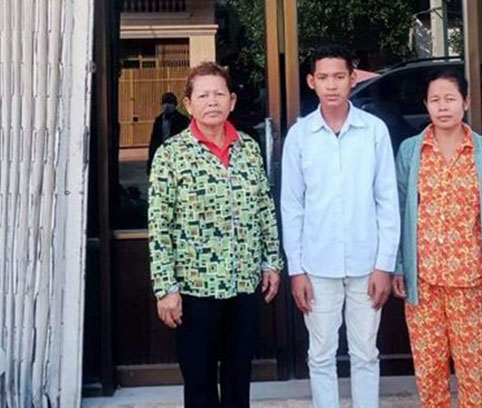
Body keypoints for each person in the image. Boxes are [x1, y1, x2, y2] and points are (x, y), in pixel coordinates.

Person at [148, 62, 283, 408]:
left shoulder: (248, 148)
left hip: (243, 284)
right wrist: (165, 288)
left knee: (239, 381)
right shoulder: (171, 154)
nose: (212, 101)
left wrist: (271, 261)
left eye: (219, 94)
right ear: (188, 104)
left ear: (232, 101)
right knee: (200, 385)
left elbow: (264, 206)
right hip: (195, 289)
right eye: (203, 95)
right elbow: (159, 226)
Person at [281, 44, 400, 408]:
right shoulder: (300, 136)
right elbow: (292, 207)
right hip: (317, 266)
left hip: (367, 264)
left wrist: (384, 265)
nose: (331, 85)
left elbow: (387, 201)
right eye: (323, 77)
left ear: (352, 79)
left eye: (338, 76)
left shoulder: (373, 131)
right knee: (320, 354)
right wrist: (296, 269)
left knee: (366, 353)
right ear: (311, 82)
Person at [392, 68, 482, 408]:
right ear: (425, 104)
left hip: (473, 284)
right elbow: (398, 213)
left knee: (475, 379)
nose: (442, 106)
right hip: (424, 284)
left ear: (466, 102)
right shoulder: (411, 151)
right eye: (435, 99)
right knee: (430, 377)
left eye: (450, 98)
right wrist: (399, 266)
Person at [146, 92, 190, 175]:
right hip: (162, 153)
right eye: (165, 103)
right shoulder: (159, 120)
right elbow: (154, 141)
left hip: (177, 154)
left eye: (170, 103)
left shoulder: (183, 120)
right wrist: (150, 163)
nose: (167, 106)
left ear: (175, 105)